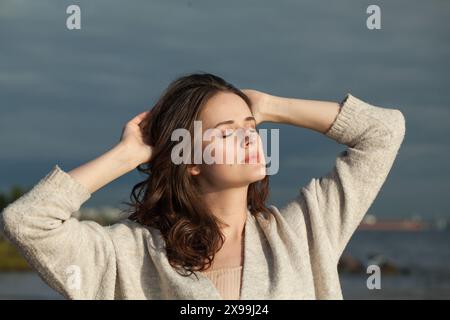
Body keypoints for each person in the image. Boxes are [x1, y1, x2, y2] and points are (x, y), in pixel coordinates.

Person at [0, 72, 405, 299]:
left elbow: (384, 132)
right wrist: (128, 153)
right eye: (228, 132)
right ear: (190, 158)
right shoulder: (129, 255)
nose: (250, 137)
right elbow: (27, 222)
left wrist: (267, 105)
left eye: (252, 128)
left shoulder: (304, 234)